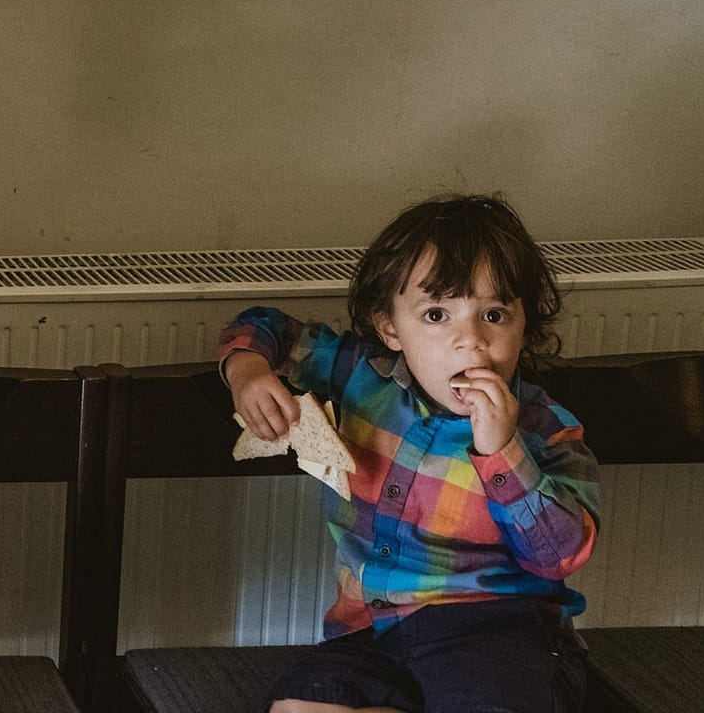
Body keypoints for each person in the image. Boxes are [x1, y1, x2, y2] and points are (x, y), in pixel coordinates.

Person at [221, 194, 598, 713]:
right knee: (297, 707)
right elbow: (265, 325)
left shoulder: (546, 431)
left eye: (494, 314)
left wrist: (502, 451)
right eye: (437, 314)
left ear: (524, 324)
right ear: (390, 327)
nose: (471, 342)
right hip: (370, 633)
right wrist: (247, 372)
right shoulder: (359, 377)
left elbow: (558, 557)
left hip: (499, 638)